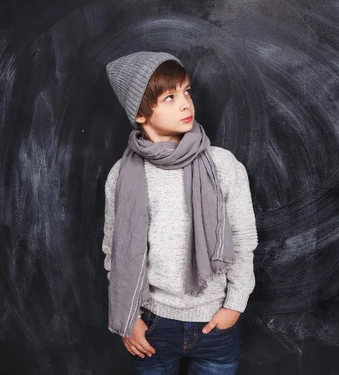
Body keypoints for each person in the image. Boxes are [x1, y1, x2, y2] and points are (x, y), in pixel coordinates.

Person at [102, 51, 258, 374]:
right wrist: (129, 319)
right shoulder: (123, 175)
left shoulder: (222, 166)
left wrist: (235, 304)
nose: (185, 103)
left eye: (186, 91)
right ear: (141, 114)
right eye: (169, 97)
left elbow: (243, 240)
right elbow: (114, 251)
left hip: (214, 322)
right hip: (153, 324)